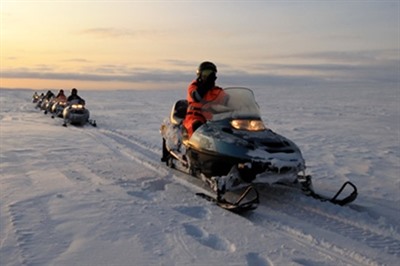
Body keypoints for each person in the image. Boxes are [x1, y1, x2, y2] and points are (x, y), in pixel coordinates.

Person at [182, 61, 227, 137]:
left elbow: (228, 101)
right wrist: (207, 84)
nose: (208, 76)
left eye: (210, 73)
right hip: (195, 119)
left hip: (214, 120)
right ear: (199, 75)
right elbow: (197, 97)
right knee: (198, 127)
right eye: (205, 73)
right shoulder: (194, 87)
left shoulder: (218, 91)